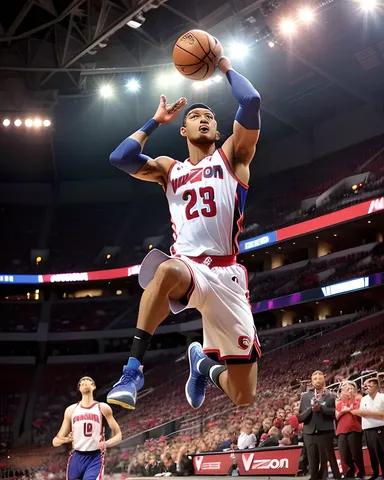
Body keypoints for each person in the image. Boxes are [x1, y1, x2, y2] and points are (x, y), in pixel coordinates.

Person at [107, 49, 262, 411]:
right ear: (184, 129)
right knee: (165, 268)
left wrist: (221, 61)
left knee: (244, 396)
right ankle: (132, 371)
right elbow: (120, 158)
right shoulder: (168, 169)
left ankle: (203, 365)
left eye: (209, 116)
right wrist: (154, 121)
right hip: (190, 267)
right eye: (195, 116)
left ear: (218, 129)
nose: (204, 119)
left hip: (227, 276)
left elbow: (252, 99)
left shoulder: (233, 158)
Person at [52, 376, 122, 480]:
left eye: (88, 380)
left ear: (93, 386)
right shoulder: (71, 410)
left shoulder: (102, 407)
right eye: (81, 382)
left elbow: (119, 435)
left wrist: (106, 443)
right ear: (79, 388)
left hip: (95, 456)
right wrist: (66, 439)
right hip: (76, 456)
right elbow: (55, 441)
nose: (84, 381)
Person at [298, 371, 341, 480]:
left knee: (326, 459)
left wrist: (321, 409)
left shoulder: (331, 395)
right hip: (309, 432)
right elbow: (300, 417)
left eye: (320, 378)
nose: (318, 380)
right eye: (315, 378)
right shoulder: (305, 396)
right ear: (311, 382)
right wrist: (311, 410)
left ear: (324, 380)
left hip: (325, 431)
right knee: (312, 461)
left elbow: (334, 412)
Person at [352, 377, 384, 480]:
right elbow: (362, 413)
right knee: (372, 453)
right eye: (365, 385)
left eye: (368, 384)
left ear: (375, 385)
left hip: (380, 427)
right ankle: (375, 474)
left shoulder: (382, 397)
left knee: (382, 452)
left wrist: (366, 413)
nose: (366, 387)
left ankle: (383, 474)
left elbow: (382, 415)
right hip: (367, 429)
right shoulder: (364, 399)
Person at [335, 382, 365, 480]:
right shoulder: (338, 402)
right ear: (342, 392)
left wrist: (346, 409)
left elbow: (357, 412)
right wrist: (348, 409)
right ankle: (351, 468)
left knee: (356, 453)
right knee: (344, 455)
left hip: (354, 428)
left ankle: (360, 472)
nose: (350, 390)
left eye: (352, 388)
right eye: (347, 389)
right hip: (341, 430)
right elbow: (337, 415)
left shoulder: (359, 399)